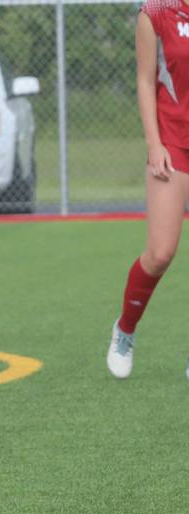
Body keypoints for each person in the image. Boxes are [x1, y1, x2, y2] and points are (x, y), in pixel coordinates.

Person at [106, 0, 189, 379]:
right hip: (173, 140)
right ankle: (125, 329)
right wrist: (154, 145)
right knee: (160, 253)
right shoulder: (155, 10)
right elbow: (144, 79)